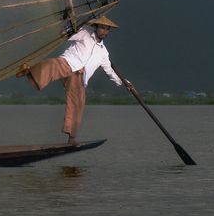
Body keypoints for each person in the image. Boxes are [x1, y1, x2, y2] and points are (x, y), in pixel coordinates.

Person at [16, 15, 133, 143]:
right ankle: (29, 71)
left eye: (107, 29)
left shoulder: (104, 53)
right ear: (96, 27)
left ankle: (71, 137)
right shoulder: (85, 32)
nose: (104, 31)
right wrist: (69, 23)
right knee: (52, 65)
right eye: (102, 28)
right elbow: (67, 35)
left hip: (80, 76)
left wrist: (124, 82)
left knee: (77, 104)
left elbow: (109, 71)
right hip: (69, 62)